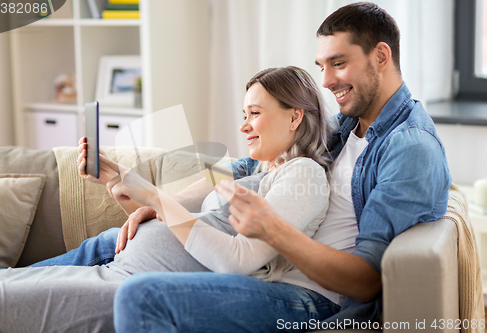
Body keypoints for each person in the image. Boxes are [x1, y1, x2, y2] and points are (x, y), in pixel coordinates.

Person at [111, 2, 452, 332]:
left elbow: (365, 281)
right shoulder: (343, 127)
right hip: (273, 277)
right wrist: (162, 202)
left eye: (338, 63)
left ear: (380, 56)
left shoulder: (410, 148)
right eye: (321, 66)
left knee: (142, 296)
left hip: (311, 298)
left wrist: (273, 229)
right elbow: (244, 165)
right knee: (108, 243)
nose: (327, 81)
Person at [0, 66, 334, 332]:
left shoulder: (304, 174)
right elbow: (166, 212)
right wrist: (118, 179)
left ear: (294, 116)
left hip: (132, 285)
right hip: (118, 268)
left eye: (255, 114)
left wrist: (153, 197)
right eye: (244, 115)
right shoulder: (244, 170)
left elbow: (237, 262)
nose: (244, 126)